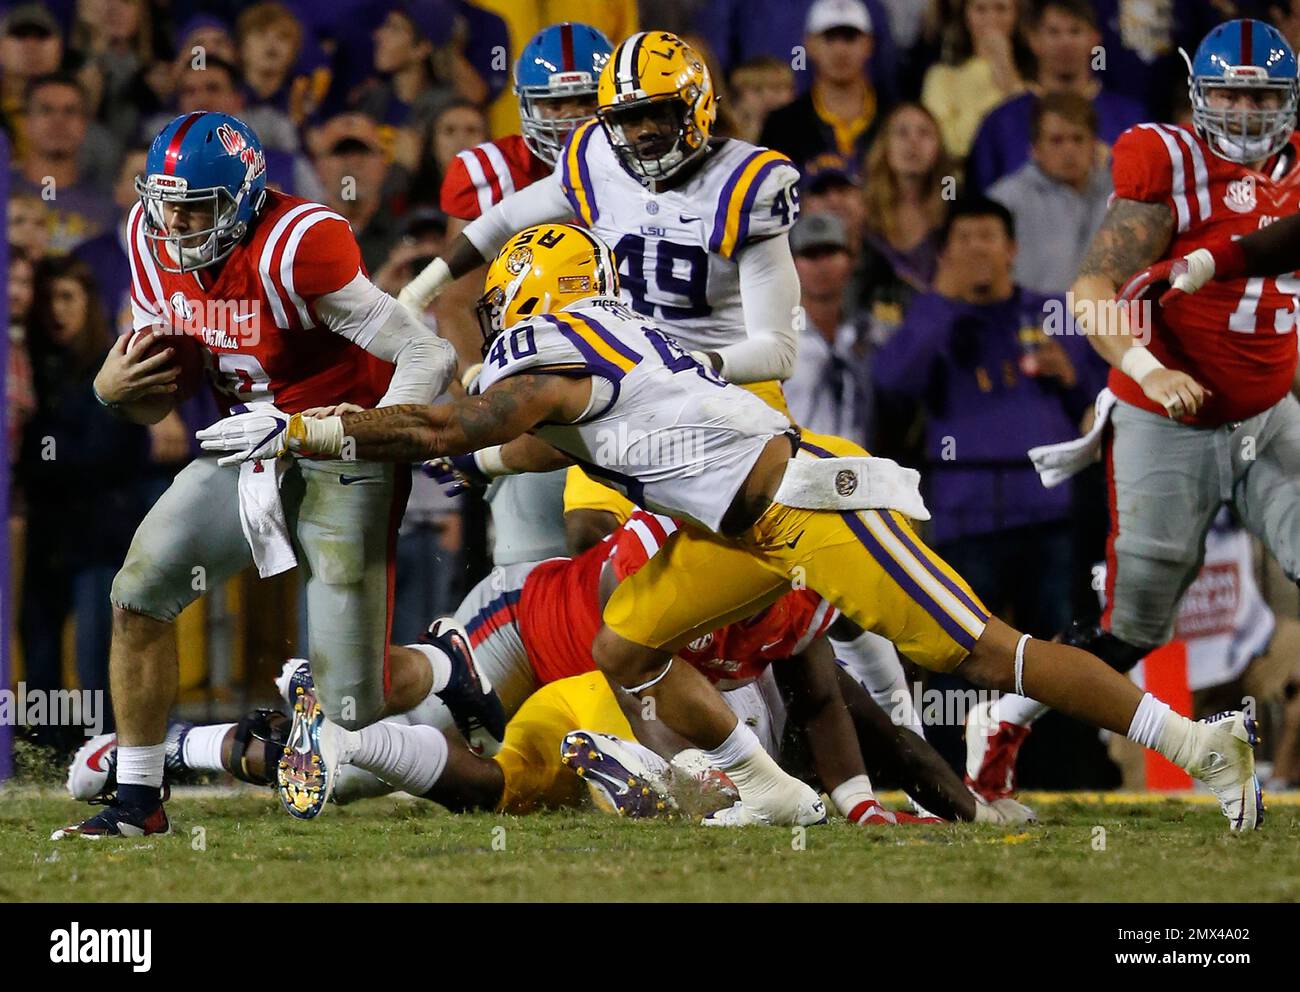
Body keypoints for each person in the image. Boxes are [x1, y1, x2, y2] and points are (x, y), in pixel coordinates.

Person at [210, 221, 1263, 832]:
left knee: (989, 651)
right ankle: (763, 786)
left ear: (528, 289)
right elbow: (533, 440)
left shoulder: (555, 344)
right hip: (738, 529)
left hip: (811, 507)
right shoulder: (606, 338)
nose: (498, 329)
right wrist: (450, 452)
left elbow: (463, 416)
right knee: (625, 638)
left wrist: (311, 430)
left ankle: (1198, 743)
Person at [51, 111, 458, 840]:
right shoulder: (147, 243)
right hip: (244, 448)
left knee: (351, 723)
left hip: (340, 452)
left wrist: (372, 432)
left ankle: (450, 670)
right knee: (137, 595)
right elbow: (161, 391)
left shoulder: (301, 244)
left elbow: (428, 356)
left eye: (195, 206)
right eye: (164, 200)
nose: (173, 221)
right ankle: (140, 797)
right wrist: (114, 392)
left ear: (241, 200)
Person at [965, 19, 1300, 808]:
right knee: (1131, 630)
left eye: (1263, 96)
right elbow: (1090, 294)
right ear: (1197, 92)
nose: (1248, 112)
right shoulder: (1167, 159)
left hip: (1267, 415)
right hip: (1166, 420)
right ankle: (1005, 722)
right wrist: (1152, 368)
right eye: (1231, 92)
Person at [399, 31, 803, 557]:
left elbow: (779, 351)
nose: (645, 132)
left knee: (761, 550)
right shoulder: (595, 154)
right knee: (589, 532)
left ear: (697, 105)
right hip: (625, 371)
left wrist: (672, 368)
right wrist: (418, 289)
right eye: (627, 118)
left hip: (728, 384)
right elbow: (503, 220)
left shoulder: (746, 186)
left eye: (660, 113)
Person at [875, 196, 1104, 640]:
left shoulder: (1052, 312)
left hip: (1050, 514)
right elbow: (892, 383)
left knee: (1060, 653)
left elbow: (1100, 406)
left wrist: (1071, 376)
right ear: (944, 254)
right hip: (966, 516)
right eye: (964, 238)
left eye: (988, 237)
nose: (977, 249)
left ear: (1012, 249)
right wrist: (942, 301)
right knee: (962, 654)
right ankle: (961, 715)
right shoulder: (929, 317)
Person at [19, 256, 152, 744]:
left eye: (67, 297)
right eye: (48, 298)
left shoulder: (110, 367)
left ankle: (111, 750)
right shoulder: (35, 363)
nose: (56, 310)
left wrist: (32, 455)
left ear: (88, 303)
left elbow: (103, 451)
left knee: (99, 655)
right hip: (50, 534)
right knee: (39, 649)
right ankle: (47, 750)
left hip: (103, 536)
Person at [965, 0, 1144, 192]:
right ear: (1033, 39)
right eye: (1053, 32)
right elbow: (983, 200)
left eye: (1075, 31)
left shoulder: (1131, 119)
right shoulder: (1000, 121)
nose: (1065, 42)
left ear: (1095, 39)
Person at [987, 90, 1112, 295]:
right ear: (1034, 148)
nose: (1069, 150)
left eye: (1078, 139)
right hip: (1032, 321)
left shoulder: (1118, 196)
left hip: (1107, 320)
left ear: (1094, 144)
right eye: (1056, 140)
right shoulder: (1004, 200)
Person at [758, 0, 887, 175]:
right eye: (830, 38)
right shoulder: (782, 126)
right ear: (809, 44)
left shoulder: (891, 120)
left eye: (850, 37)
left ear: (869, 44)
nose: (840, 50)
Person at [784, 213, 875, 448]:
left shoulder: (867, 334)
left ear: (850, 260)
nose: (822, 265)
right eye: (811, 255)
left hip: (861, 469)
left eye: (831, 252)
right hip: (797, 469)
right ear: (792, 264)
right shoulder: (777, 338)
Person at [9, 73, 117, 252]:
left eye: (70, 111)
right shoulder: (4, 190)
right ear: (25, 122)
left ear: (85, 124)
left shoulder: (108, 207)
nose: (58, 121)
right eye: (46, 110)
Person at [921, 0, 1029, 159]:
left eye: (1001, 8)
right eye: (980, 9)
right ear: (966, 15)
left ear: (1016, 15)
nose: (991, 18)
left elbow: (1028, 133)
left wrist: (1006, 69)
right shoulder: (942, 76)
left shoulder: (1036, 74)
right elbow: (950, 144)